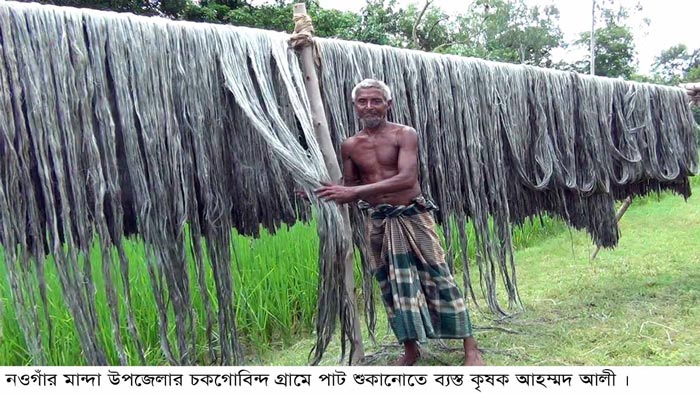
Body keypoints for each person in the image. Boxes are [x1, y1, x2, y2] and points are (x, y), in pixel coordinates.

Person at [314, 79, 485, 366]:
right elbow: (350, 185)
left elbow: (407, 178)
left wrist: (352, 192)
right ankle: (410, 349)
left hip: (412, 216)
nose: (369, 106)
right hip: (379, 221)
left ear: (388, 104)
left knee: (438, 276)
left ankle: (470, 347)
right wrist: (320, 192)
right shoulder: (350, 145)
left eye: (376, 100)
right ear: (355, 106)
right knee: (392, 286)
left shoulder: (404, 134)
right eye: (363, 101)